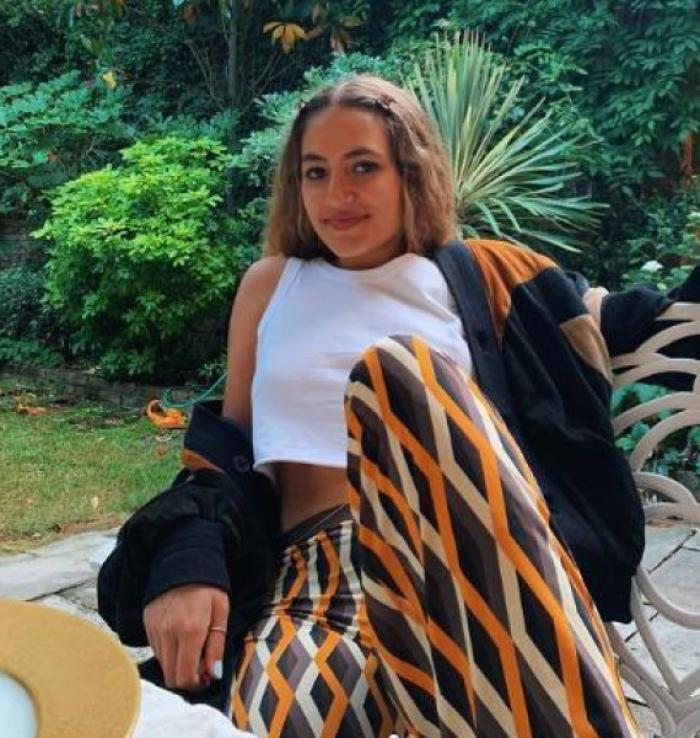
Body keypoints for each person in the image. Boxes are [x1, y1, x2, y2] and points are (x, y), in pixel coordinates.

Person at [111, 75, 699, 737]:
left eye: (363, 167)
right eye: (315, 172)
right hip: (318, 581)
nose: (336, 194)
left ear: (410, 173)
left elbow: (652, 321)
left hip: (469, 569)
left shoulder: (488, 278)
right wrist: (187, 555)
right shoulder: (272, 285)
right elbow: (224, 457)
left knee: (397, 372)